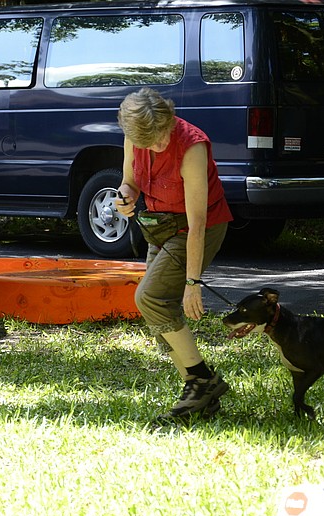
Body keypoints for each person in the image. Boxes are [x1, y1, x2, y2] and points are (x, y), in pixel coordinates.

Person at [115, 87, 233, 421]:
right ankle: (201, 397)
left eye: (161, 137)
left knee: (150, 297)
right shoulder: (135, 138)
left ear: (169, 120)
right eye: (147, 143)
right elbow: (129, 182)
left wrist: (192, 283)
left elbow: (198, 223)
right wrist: (124, 198)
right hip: (160, 225)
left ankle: (202, 380)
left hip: (198, 228)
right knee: (159, 312)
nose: (156, 147)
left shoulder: (192, 146)